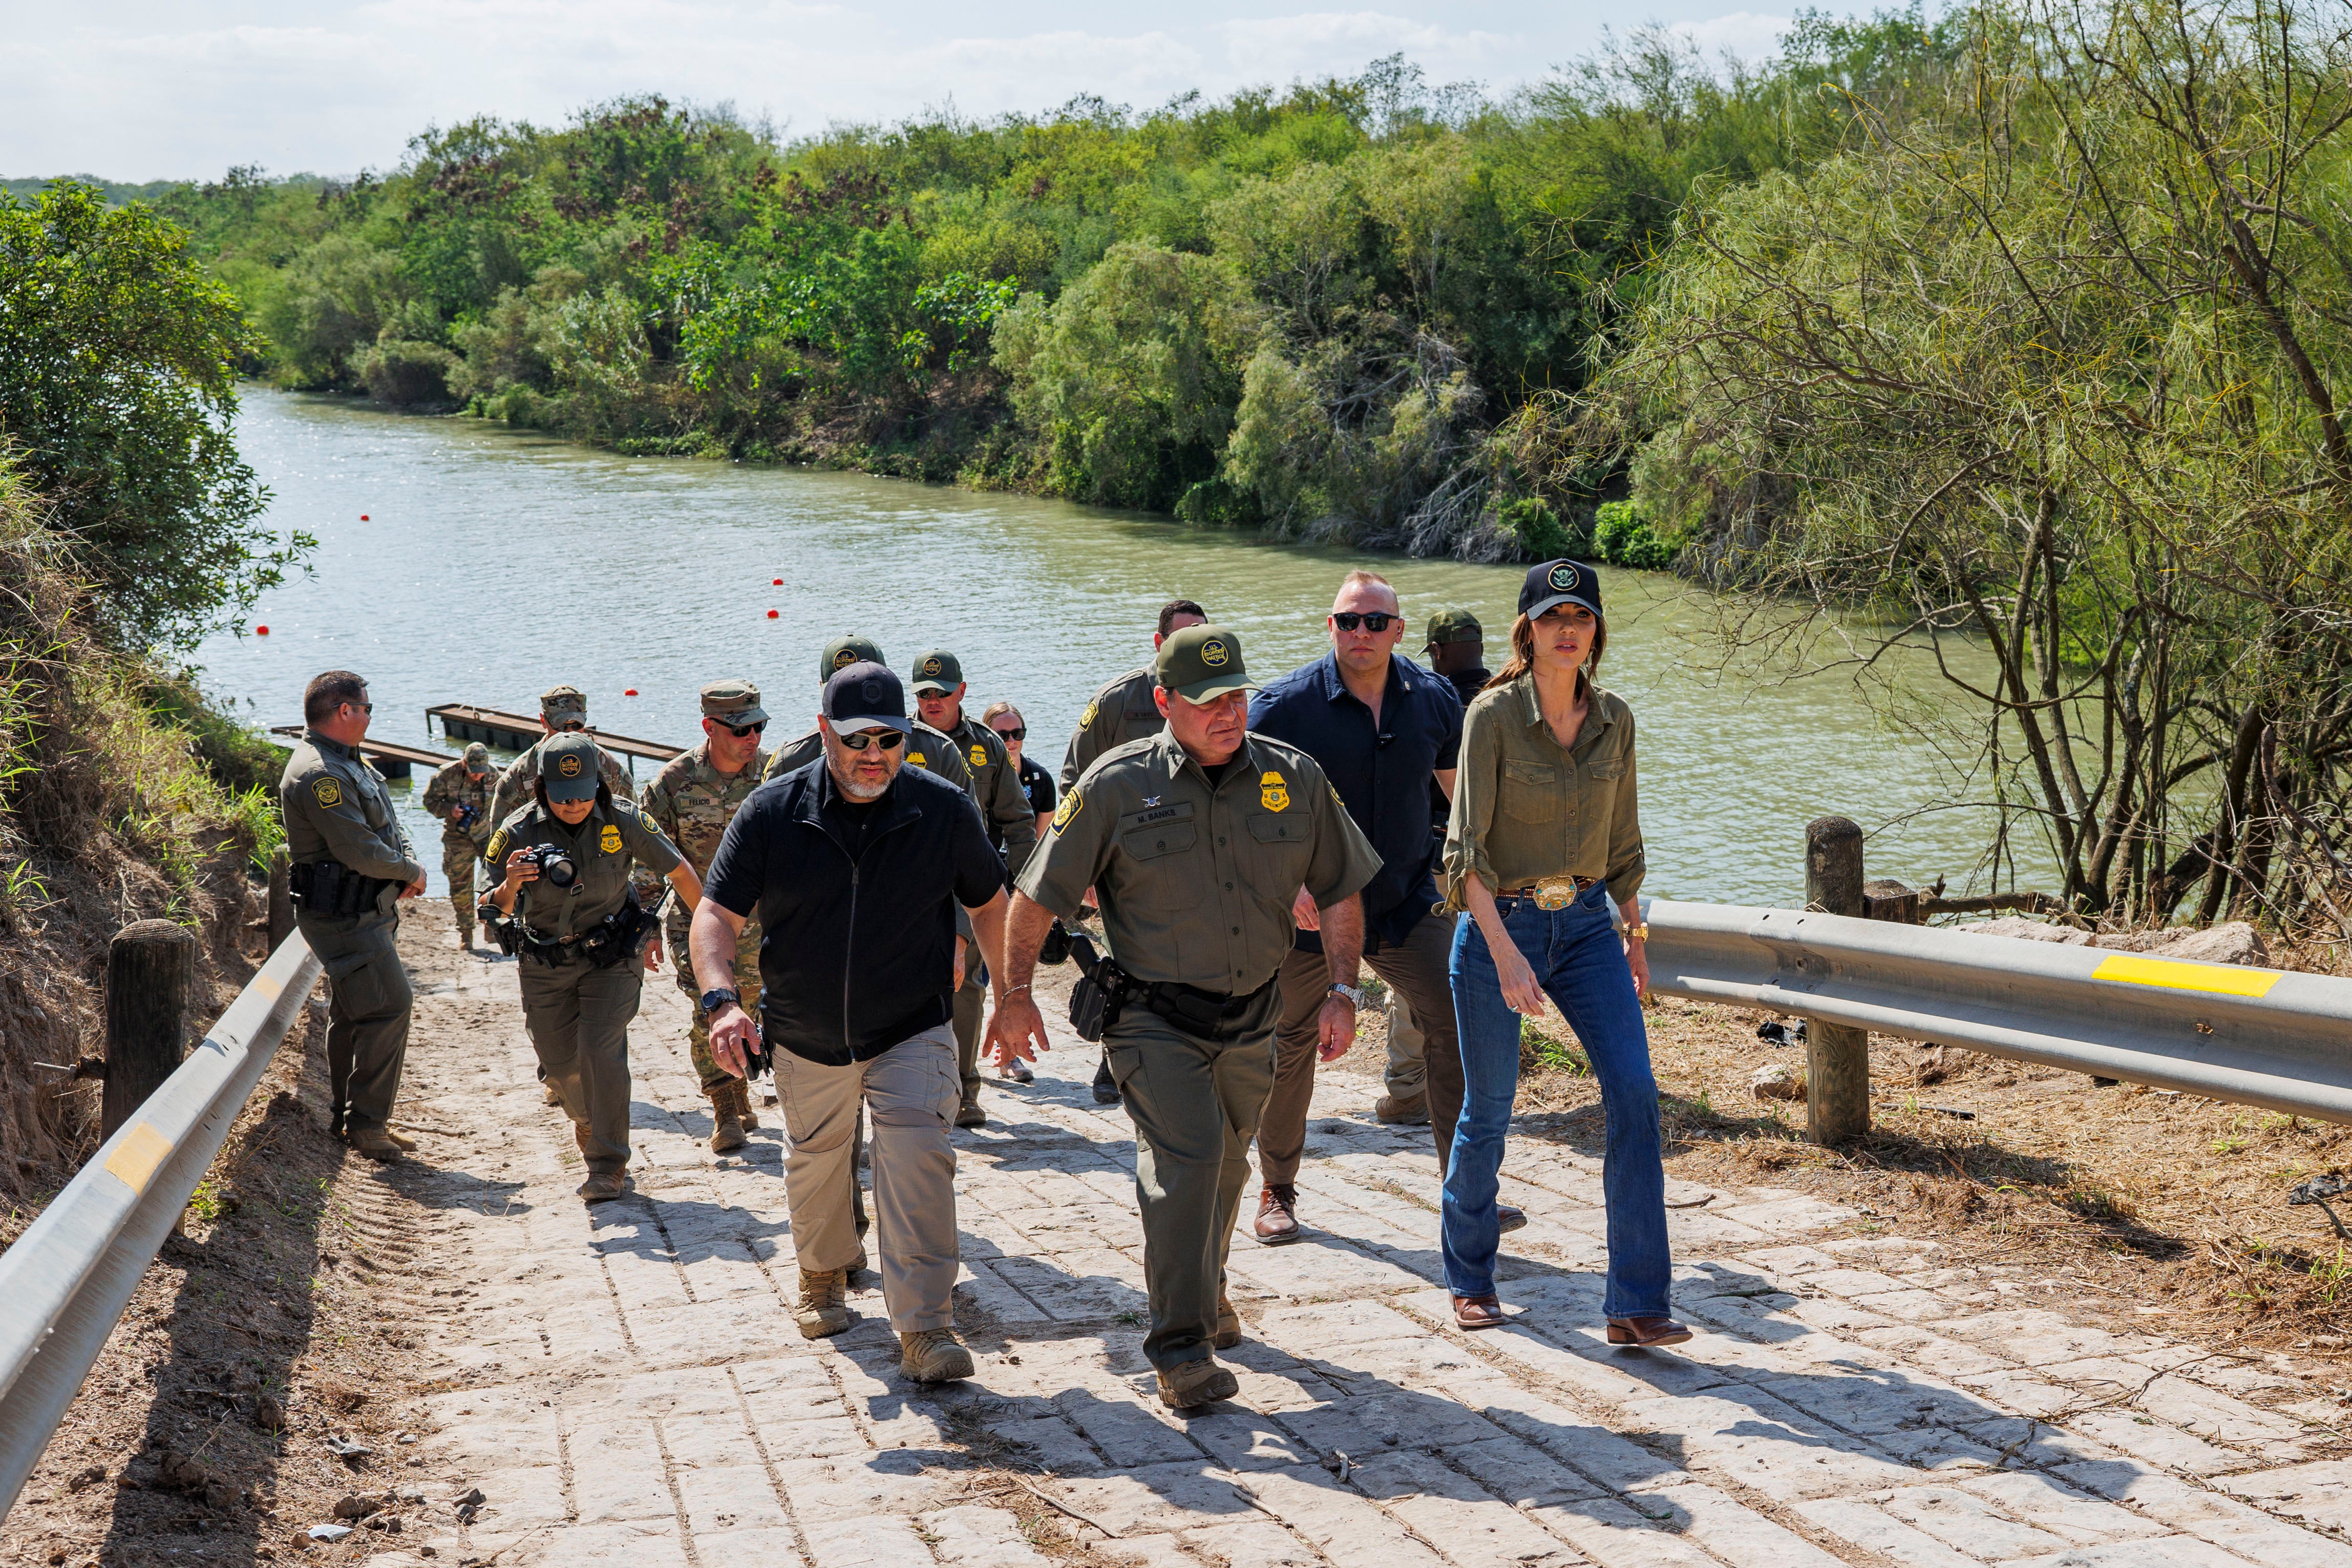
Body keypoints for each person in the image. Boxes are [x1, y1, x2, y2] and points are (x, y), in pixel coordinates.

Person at [989, 625, 1383, 1412]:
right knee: (1191, 1161)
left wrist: (1343, 991)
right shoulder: (1114, 784)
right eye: (1206, 701)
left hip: (1255, 1015)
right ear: (1164, 702)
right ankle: (1180, 1348)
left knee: (1231, 1166)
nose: (1227, 712)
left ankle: (1206, 1295)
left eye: (1236, 695)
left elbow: (1340, 887)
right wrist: (1014, 995)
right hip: (1151, 1018)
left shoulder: (1293, 776)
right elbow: (1035, 898)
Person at [695, 662, 1013, 1386]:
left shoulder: (942, 808)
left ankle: (925, 1325)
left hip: (912, 1023)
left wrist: (1013, 993)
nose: (874, 754)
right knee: (817, 1159)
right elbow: (715, 912)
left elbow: (992, 900)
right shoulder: (774, 811)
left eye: (889, 739)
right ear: (822, 732)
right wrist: (722, 1001)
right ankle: (822, 1272)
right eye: (856, 739)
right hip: (806, 1030)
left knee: (917, 1160)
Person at [1440, 560, 1685, 1346]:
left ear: (1596, 630)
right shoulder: (1491, 716)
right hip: (1498, 926)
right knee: (1488, 1112)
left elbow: (1622, 846)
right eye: (1552, 617)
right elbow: (1464, 854)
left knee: (1636, 1094)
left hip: (1585, 929)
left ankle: (1636, 1302)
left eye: (1581, 614)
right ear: (1528, 631)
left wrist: (1634, 937)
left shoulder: (1617, 717)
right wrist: (1505, 952)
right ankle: (1471, 1278)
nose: (1567, 628)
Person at [1246, 570, 1471, 1246]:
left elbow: (1462, 802)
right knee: (1290, 1044)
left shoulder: (1433, 700)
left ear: (1401, 631)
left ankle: (1464, 1190)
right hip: (1310, 911)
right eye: (1349, 621)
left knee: (1457, 1021)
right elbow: (1237, 805)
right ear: (1330, 626)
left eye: (1376, 621)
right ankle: (1276, 1191)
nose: (1361, 633)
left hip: (1402, 901)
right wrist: (1284, 886)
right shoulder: (1283, 708)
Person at [486, 732, 705, 1204]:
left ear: (599, 786)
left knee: (601, 1050)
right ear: (542, 788)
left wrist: (711, 938)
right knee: (561, 1066)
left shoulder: (624, 819)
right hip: (545, 960)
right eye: (564, 798)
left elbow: (681, 873)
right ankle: (586, 1119)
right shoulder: (517, 832)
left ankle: (607, 1166)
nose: (575, 805)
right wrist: (510, 885)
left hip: (611, 956)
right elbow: (491, 908)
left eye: (585, 795)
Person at [1061, 598, 1208, 1106]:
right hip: (1127, 859)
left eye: (1199, 634)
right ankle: (1115, 1060)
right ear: (1158, 642)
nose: (1189, 645)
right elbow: (1073, 781)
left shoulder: (1215, 696)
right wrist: (1081, 866)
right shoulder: (1118, 701)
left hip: (1195, 856)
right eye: (1181, 635)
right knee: (1132, 961)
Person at [279, 670, 428, 1158]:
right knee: (390, 1006)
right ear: (345, 711)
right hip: (345, 917)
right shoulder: (320, 772)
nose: (368, 717)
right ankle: (366, 1124)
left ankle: (351, 1118)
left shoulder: (348, 762)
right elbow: (357, 848)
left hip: (367, 910)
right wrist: (409, 870)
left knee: (355, 1013)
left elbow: (387, 826)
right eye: (366, 709)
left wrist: (402, 864)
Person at [640, 680, 772, 1152]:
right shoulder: (671, 785)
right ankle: (724, 1109)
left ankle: (739, 1086)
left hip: (763, 925)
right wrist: (645, 927)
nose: (751, 737)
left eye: (757, 726)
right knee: (709, 1011)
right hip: (695, 922)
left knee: (751, 1006)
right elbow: (646, 862)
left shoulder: (776, 776)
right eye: (740, 729)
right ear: (709, 728)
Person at [912, 650, 1039, 1127]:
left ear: (961, 693)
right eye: (923, 694)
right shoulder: (896, 740)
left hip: (975, 889)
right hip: (916, 888)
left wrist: (1025, 892)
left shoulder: (987, 746)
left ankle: (965, 1090)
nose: (931, 701)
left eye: (940, 693)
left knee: (968, 989)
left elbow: (1018, 823)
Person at [1384, 609, 1494, 1130]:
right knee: (1490, 972)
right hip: (1503, 863)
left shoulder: (1426, 701)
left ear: (1439, 651)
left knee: (1418, 972)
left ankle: (1410, 1088)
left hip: (1434, 858)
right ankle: (1486, 1086)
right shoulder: (1513, 698)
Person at [490, 684, 635, 827]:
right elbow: (501, 834)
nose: (569, 732)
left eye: (577, 725)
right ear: (543, 721)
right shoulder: (520, 775)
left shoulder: (608, 766)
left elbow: (632, 820)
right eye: (561, 726)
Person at [421, 742, 497, 949]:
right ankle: (466, 934)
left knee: (492, 883)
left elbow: (506, 805)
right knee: (460, 886)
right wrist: (449, 809)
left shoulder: (494, 776)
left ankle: (491, 926)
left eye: (482, 772)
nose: (478, 776)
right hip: (457, 837)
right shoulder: (446, 775)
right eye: (474, 772)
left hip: (486, 837)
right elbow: (429, 801)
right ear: (464, 763)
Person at [983, 700, 1055, 842]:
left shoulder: (1041, 779)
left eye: (1018, 733)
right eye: (1002, 735)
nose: (1011, 740)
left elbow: (1041, 844)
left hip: (1025, 859)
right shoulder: (974, 777)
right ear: (986, 736)